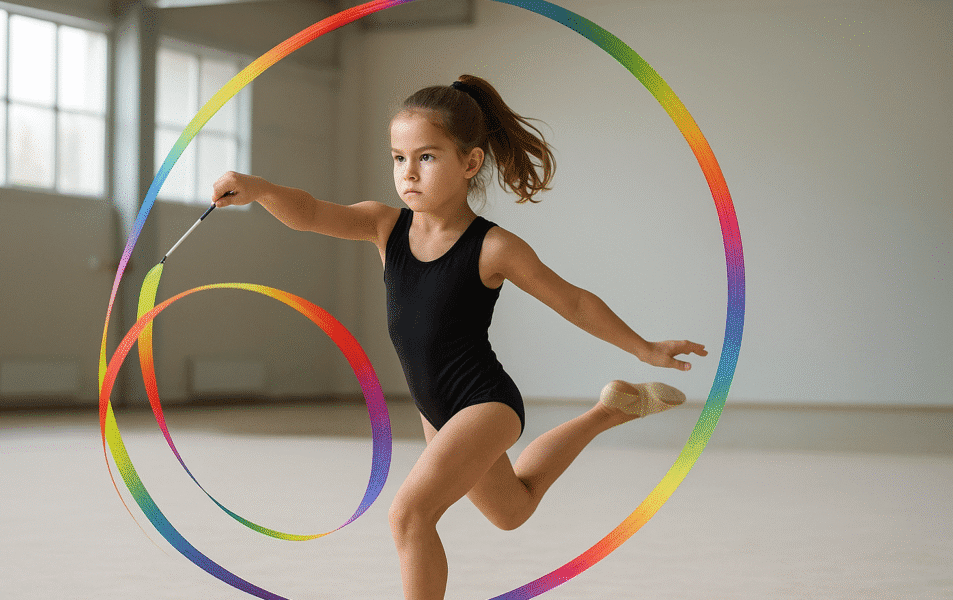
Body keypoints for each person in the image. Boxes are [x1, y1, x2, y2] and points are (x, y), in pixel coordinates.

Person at [212, 74, 707, 600]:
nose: (408, 173)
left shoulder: (493, 246)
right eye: (398, 158)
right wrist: (261, 189)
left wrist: (644, 347)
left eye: (426, 157)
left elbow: (574, 301)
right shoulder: (385, 227)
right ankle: (610, 410)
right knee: (511, 509)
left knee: (409, 514)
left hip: (484, 402)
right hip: (436, 410)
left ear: (470, 163)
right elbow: (310, 213)